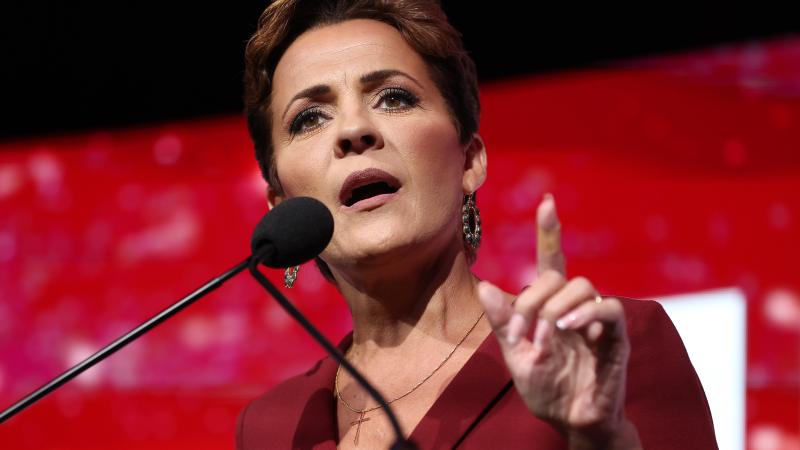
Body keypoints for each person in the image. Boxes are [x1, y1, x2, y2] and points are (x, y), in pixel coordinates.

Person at [236, 1, 718, 449]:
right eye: (310, 118)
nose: (353, 130)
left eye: (394, 97)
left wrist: (602, 439)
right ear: (281, 204)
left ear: (470, 161)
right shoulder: (273, 425)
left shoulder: (603, 349)